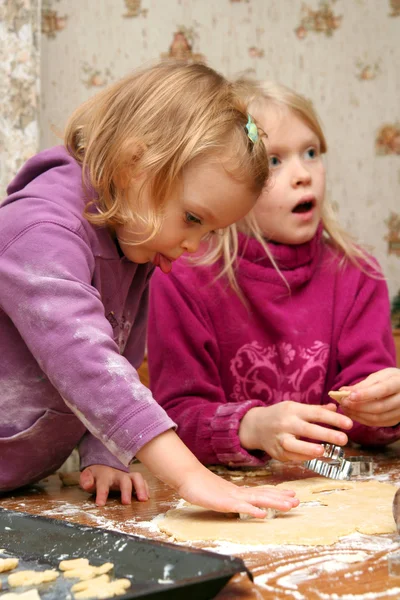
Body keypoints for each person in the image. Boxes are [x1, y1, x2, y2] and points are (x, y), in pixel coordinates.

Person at [0, 62, 300, 517]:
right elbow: (87, 366)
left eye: (210, 233)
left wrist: (104, 455)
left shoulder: (133, 241)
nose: (193, 245)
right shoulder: (39, 232)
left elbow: (116, 355)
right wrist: (192, 475)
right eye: (193, 218)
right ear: (133, 166)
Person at [147, 78, 400, 468]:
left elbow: (367, 414)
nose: (303, 174)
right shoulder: (181, 277)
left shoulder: (358, 274)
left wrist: (384, 409)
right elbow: (174, 420)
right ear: (229, 184)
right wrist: (250, 425)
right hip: (222, 499)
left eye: (311, 152)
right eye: (274, 161)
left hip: (326, 496)